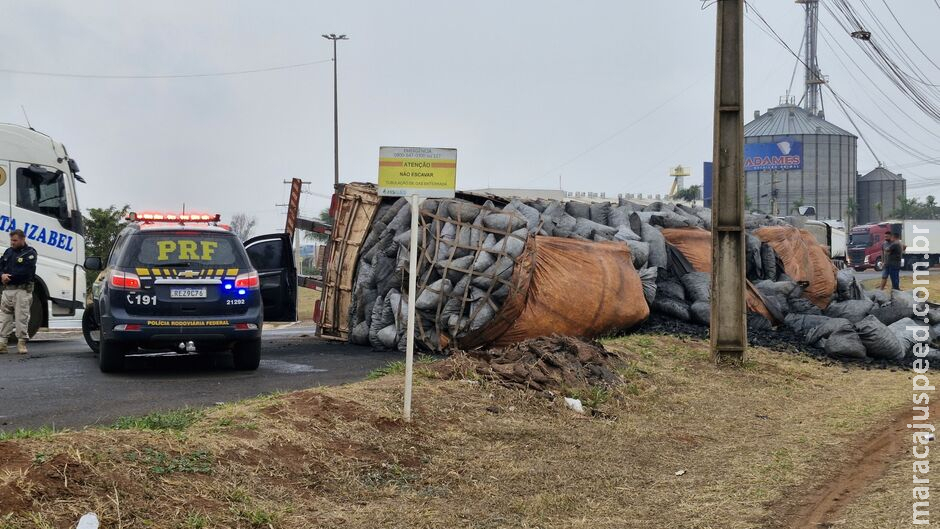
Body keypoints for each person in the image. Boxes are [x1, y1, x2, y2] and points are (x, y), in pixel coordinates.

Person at [0, 229, 37, 353]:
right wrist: (1, 275)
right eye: (11, 240)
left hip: (21, 291)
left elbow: (26, 272)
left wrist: (8, 277)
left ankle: (21, 343)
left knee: (21, 318)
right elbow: (0, 266)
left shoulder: (30, 253)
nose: (12, 243)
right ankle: (2, 344)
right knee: (4, 318)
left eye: (15, 240)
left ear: (22, 239)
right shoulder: (8, 252)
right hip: (7, 291)